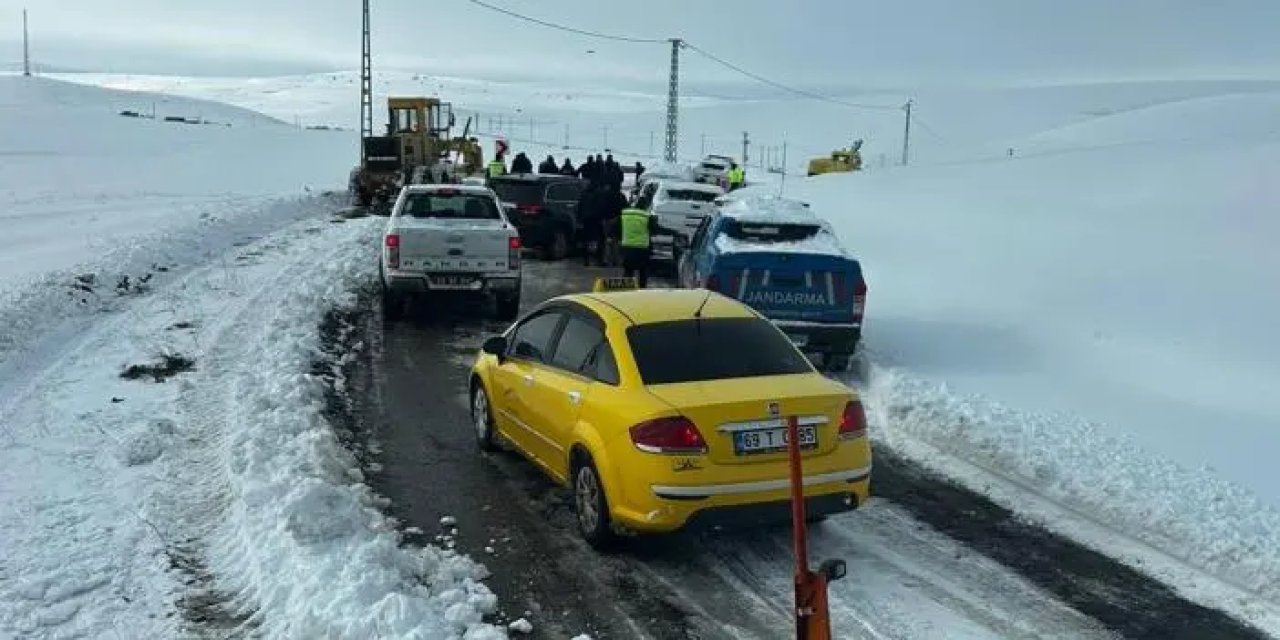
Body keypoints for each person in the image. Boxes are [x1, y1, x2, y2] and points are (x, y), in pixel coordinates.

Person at [617, 205, 663, 288]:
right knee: (643, 272)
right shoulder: (647, 217)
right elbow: (655, 230)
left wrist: (620, 237)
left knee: (628, 270)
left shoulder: (623, 216)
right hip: (642, 249)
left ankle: (625, 291)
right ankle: (641, 290)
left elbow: (614, 228)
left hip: (627, 247)